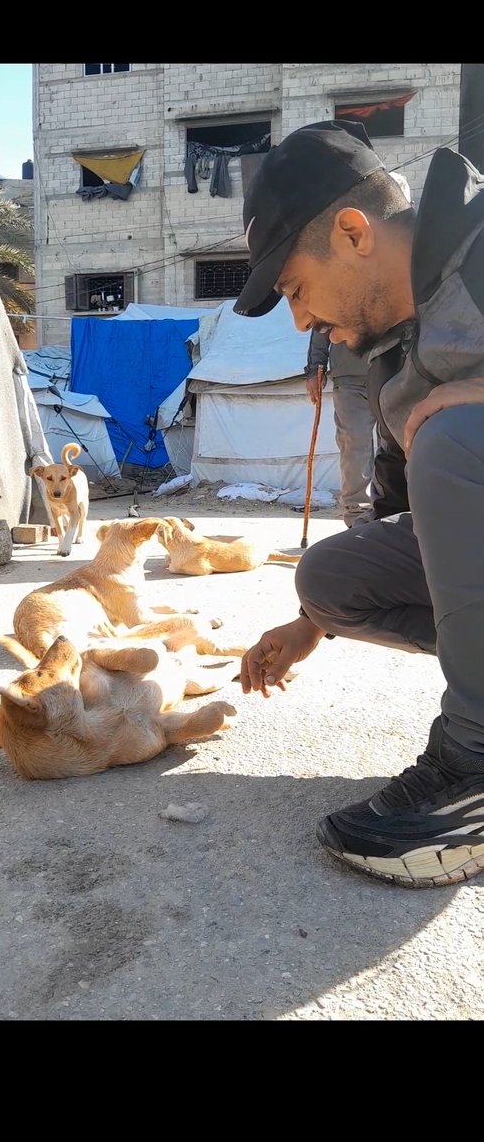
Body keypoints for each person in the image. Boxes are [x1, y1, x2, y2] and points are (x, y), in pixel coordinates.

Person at [234, 118, 484, 889]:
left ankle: (474, 770)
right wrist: (315, 624)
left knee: (456, 437)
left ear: (351, 233)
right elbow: (405, 504)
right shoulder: (384, 354)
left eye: (295, 291)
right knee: (330, 576)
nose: (302, 322)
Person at [304, 328, 376, 527]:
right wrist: (315, 368)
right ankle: (358, 517)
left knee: (400, 442)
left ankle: (401, 512)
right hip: (350, 375)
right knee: (354, 444)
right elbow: (321, 323)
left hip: (395, 370)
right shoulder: (333, 295)